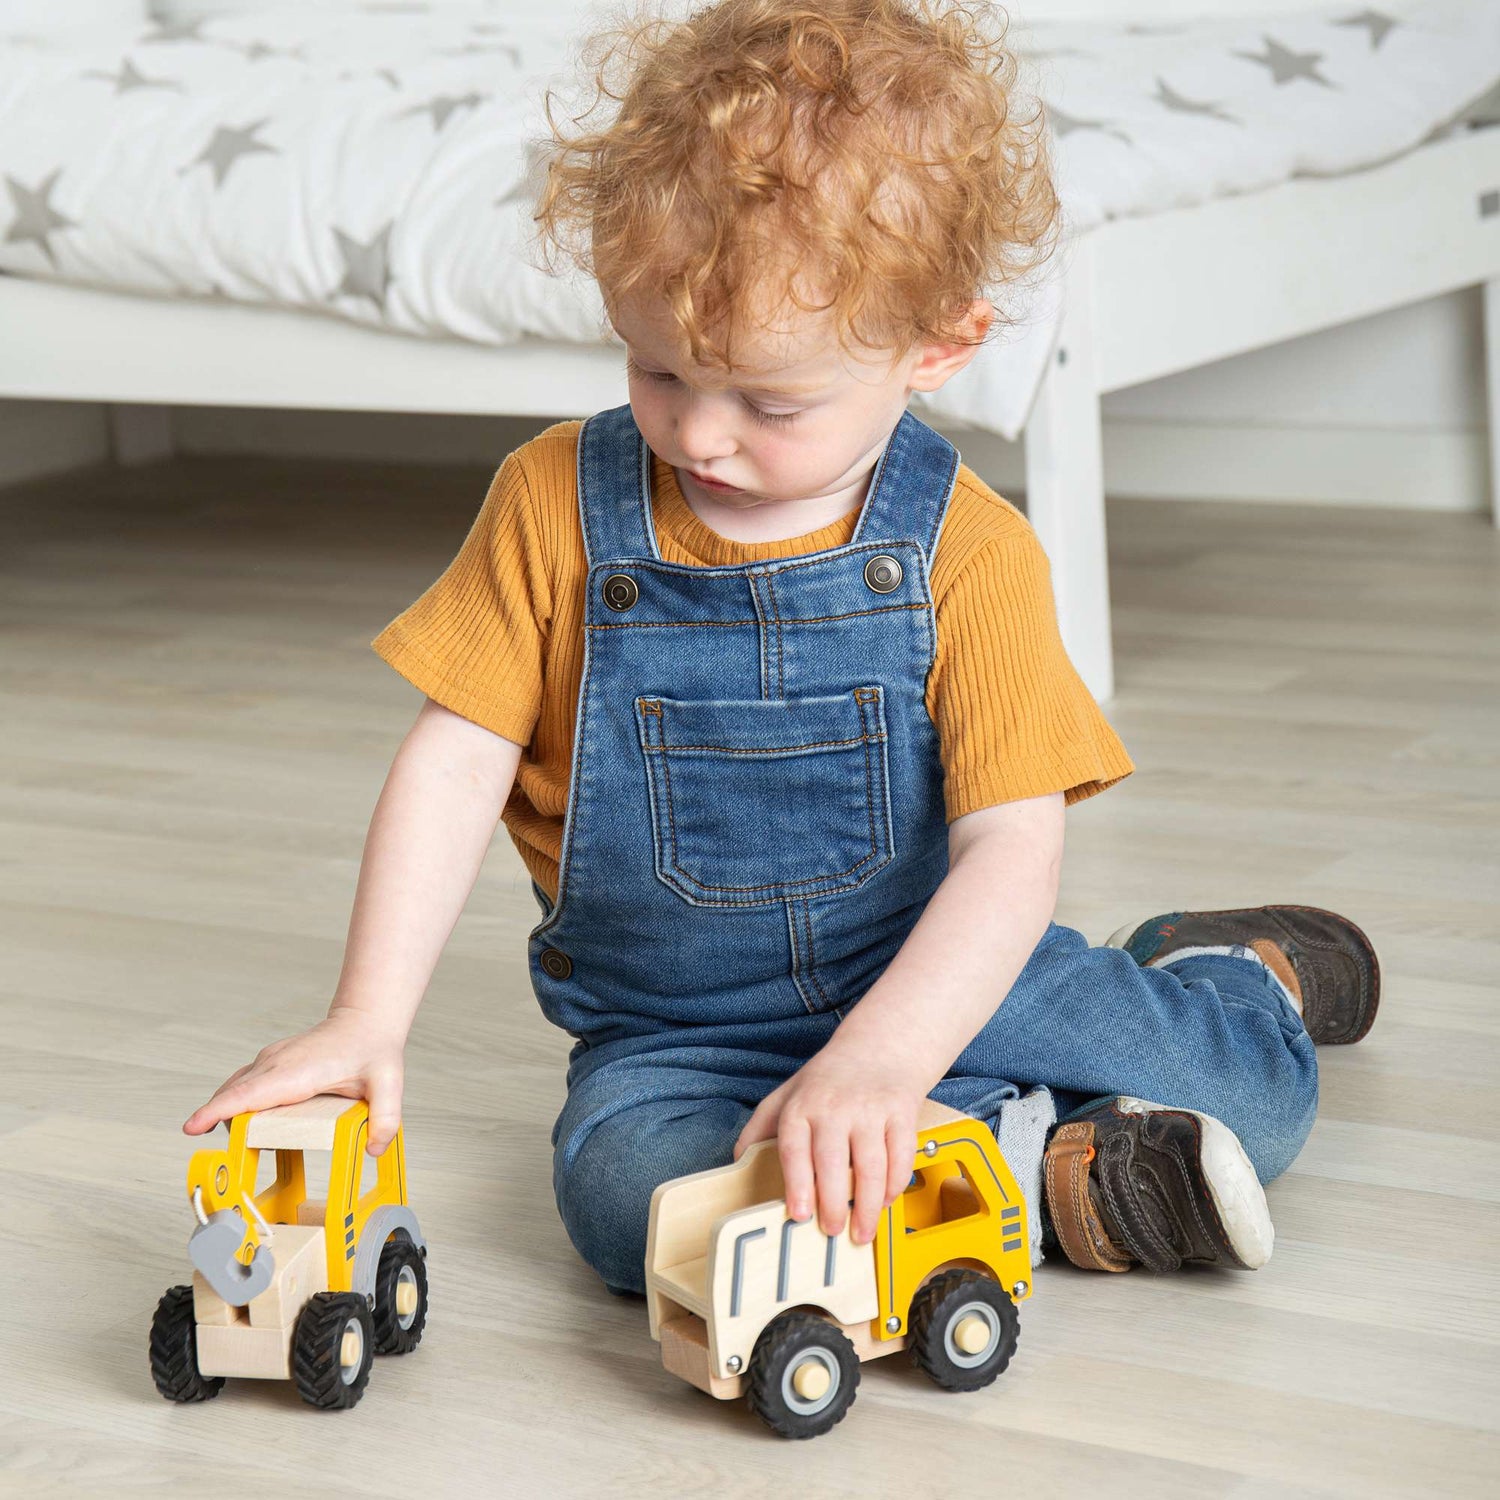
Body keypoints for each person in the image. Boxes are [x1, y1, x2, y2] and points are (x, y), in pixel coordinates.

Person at [183, 0, 1379, 1290]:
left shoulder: (971, 554)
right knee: (627, 1205)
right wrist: (366, 1015)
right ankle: (1040, 1167)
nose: (700, 436)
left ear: (938, 345)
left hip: (950, 980)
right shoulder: (551, 507)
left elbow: (1010, 850)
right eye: (658, 371)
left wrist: (883, 1058)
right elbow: (454, 760)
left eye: (771, 400)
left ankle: (1220, 972)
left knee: (1260, 1106)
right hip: (679, 1037)